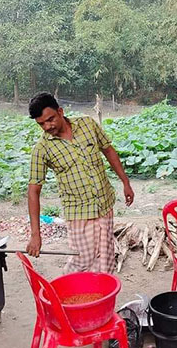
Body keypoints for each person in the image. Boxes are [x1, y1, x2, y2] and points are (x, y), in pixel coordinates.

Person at [25, 92, 134, 273]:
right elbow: (33, 192)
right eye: (41, 124)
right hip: (78, 212)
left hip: (104, 204)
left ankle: (101, 296)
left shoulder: (87, 124)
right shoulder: (42, 149)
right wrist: (35, 235)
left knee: (105, 257)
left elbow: (108, 150)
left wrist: (125, 182)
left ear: (60, 111)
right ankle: (70, 293)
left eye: (50, 119)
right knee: (82, 260)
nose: (47, 126)